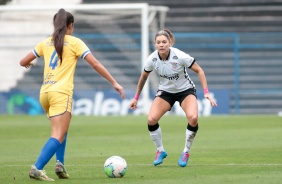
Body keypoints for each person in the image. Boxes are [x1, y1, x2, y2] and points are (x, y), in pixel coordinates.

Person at [19, 8, 125, 181]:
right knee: (58, 134)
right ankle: (37, 168)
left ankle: (60, 164)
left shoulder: (46, 42)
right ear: (71, 25)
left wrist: (29, 65)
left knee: (62, 130)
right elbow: (95, 64)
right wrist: (114, 82)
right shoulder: (75, 42)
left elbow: (23, 61)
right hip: (61, 93)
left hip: (45, 93)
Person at [129, 29, 217, 167]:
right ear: (155, 44)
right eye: (158, 42)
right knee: (151, 119)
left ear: (170, 43)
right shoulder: (152, 59)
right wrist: (136, 97)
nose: (161, 45)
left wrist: (206, 92)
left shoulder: (180, 56)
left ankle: (186, 151)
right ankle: (160, 151)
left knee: (193, 118)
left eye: (164, 42)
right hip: (165, 91)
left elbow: (200, 71)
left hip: (185, 90)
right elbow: (143, 77)